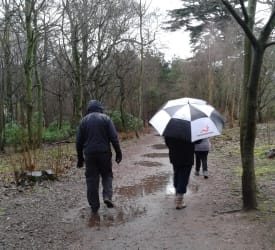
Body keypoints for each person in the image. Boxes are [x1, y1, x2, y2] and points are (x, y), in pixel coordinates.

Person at [76, 99, 122, 214]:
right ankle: (107, 196)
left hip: (89, 155)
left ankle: (94, 206)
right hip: (104, 153)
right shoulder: (106, 119)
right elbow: (114, 138)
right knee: (107, 175)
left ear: (88, 109)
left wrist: (80, 158)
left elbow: (78, 142)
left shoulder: (83, 121)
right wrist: (118, 152)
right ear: (100, 109)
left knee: (91, 179)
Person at [164, 136, 195, 209]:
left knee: (177, 174)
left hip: (174, 157)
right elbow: (198, 141)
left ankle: (177, 193)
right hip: (187, 157)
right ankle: (179, 200)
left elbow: (167, 143)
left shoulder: (171, 130)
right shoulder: (191, 131)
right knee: (184, 177)